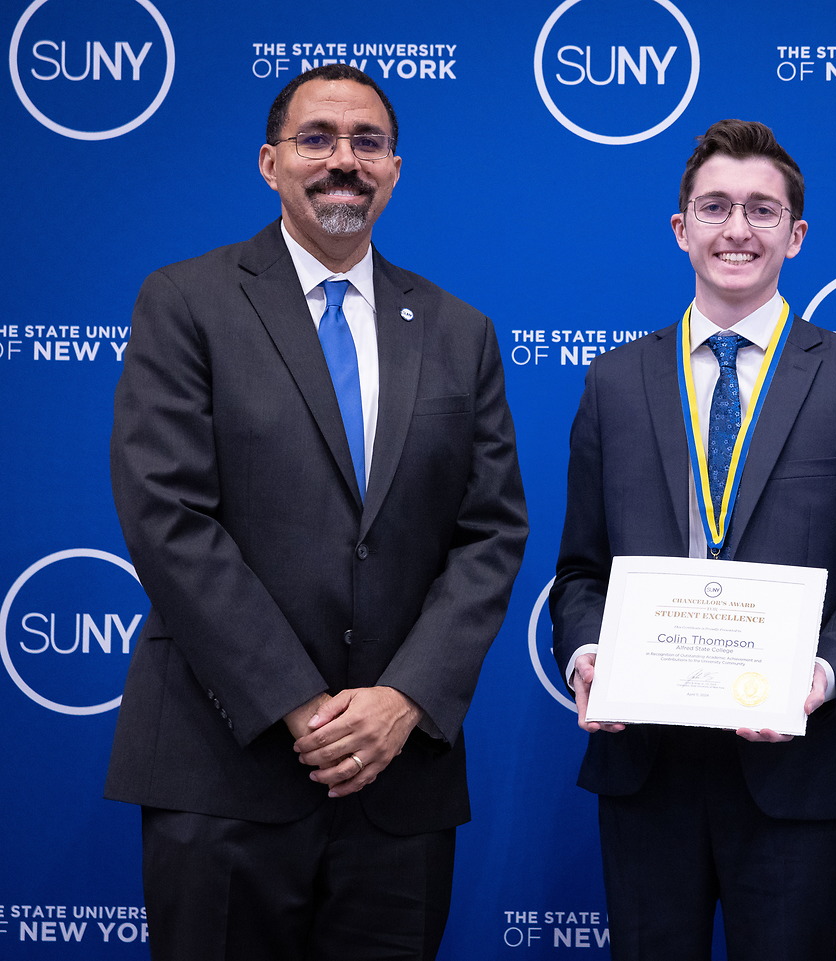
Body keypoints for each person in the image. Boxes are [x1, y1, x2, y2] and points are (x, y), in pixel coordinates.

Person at [106, 64, 528, 960]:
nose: (345, 161)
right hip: (225, 764)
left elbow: (491, 532)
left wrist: (405, 699)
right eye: (318, 139)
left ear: (396, 169)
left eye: (367, 142)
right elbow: (166, 516)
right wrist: (300, 704)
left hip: (399, 779)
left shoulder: (460, 329)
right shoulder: (187, 302)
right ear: (270, 163)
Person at [549, 119, 836, 961]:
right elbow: (579, 570)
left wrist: (819, 673)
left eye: (762, 211)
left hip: (796, 769)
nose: (737, 230)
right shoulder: (615, 380)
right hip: (647, 769)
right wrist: (587, 655)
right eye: (715, 207)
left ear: (795, 235)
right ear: (680, 227)